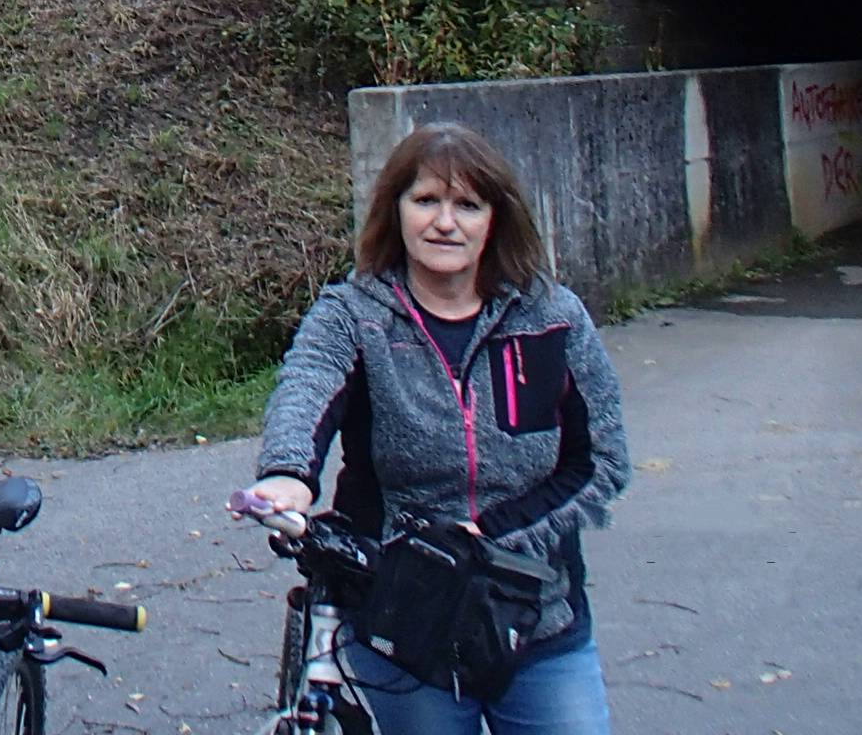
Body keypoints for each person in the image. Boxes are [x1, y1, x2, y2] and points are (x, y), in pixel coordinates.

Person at [236, 122, 630, 735]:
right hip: (403, 625)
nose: (445, 222)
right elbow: (306, 387)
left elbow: (601, 461)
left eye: (466, 205)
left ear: (494, 218)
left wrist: (488, 537)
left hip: (538, 622)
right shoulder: (355, 314)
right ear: (395, 211)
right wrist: (288, 475)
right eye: (426, 201)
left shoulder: (552, 317)